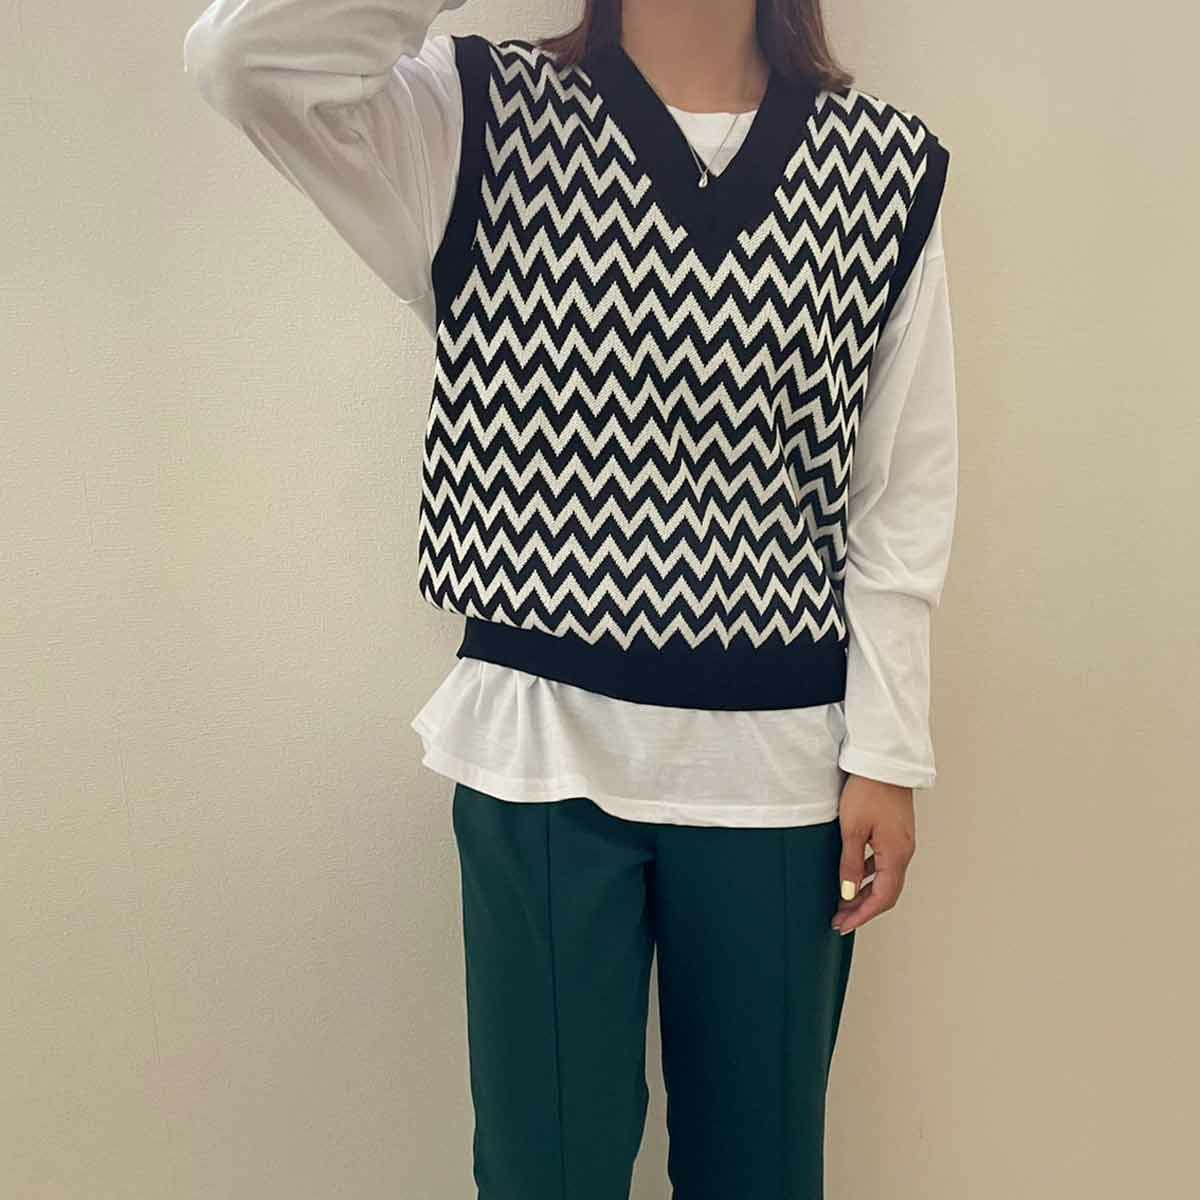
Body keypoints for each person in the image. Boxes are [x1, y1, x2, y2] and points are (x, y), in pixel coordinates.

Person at [182, 1, 957, 1195]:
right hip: (541, 757)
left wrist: (889, 752)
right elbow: (241, 58)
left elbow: (898, 491)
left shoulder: (883, 171)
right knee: (543, 1172)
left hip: (781, 774)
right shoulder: (470, 119)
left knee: (761, 1171)